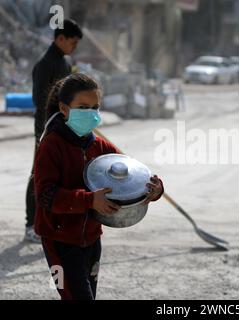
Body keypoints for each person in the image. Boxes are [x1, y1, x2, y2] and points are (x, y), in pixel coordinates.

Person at [34, 73, 164, 300]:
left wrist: (154, 189)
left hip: (92, 238)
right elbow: (45, 196)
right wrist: (89, 200)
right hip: (59, 241)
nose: (91, 113)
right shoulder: (51, 145)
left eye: (95, 107)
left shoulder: (101, 146)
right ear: (64, 109)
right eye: (83, 107)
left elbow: (129, 175)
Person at [25, 19, 83, 243]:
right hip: (47, 131)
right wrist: (45, 134)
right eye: (72, 42)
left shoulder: (63, 63)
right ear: (60, 38)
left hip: (65, 129)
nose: (73, 47)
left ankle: (54, 223)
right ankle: (31, 224)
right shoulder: (46, 64)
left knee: (60, 177)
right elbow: (40, 101)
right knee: (38, 176)